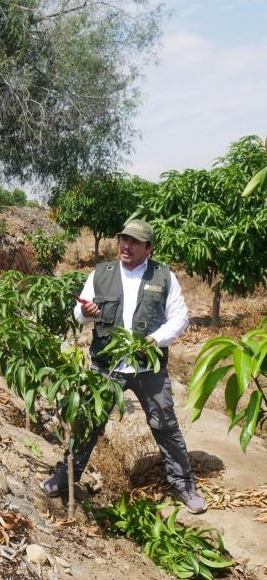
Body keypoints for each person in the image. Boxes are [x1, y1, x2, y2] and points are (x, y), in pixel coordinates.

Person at [40, 220, 207, 514]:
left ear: (149, 248)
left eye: (134, 242)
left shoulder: (164, 276)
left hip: (148, 368)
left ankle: (183, 484)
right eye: (123, 240)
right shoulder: (101, 274)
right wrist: (85, 311)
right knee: (90, 421)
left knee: (164, 424)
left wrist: (154, 340)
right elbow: (80, 314)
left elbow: (179, 318)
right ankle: (66, 476)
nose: (126, 246)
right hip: (107, 366)